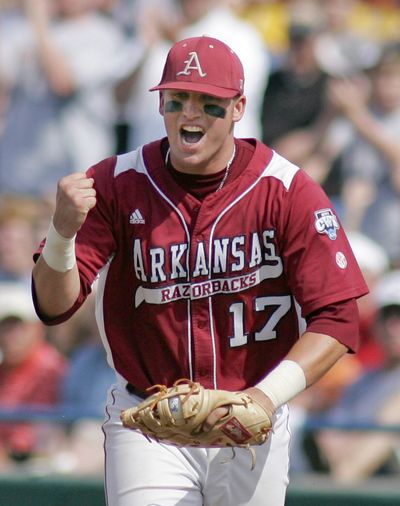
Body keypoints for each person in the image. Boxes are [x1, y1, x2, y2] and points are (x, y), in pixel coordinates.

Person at [32, 35, 368, 506]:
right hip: (149, 419)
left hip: (252, 416)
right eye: (177, 100)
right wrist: (62, 234)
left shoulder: (285, 187)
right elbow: (54, 305)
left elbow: (337, 316)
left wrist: (265, 398)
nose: (190, 114)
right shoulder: (116, 182)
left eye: (209, 103)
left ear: (238, 108)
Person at [310, 269, 400, 482]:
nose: (392, 327)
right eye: (387, 316)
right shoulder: (361, 380)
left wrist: (340, 481)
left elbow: (379, 438)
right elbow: (328, 435)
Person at [0, 281, 67, 470]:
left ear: (37, 329)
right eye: (5, 327)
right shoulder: (4, 366)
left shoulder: (49, 367)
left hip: (34, 463)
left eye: (18, 327)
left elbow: (33, 436)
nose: (11, 336)